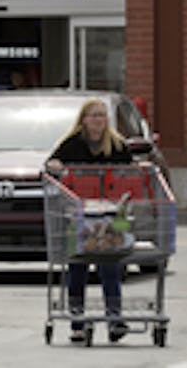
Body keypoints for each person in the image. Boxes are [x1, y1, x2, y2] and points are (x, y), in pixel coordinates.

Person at [45, 98, 132, 345]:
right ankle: (77, 323)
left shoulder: (117, 146)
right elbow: (52, 167)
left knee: (110, 266)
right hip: (80, 215)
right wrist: (54, 166)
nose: (99, 120)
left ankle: (115, 320)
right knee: (78, 267)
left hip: (111, 216)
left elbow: (130, 176)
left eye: (102, 115)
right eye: (94, 115)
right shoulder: (72, 145)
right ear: (83, 119)